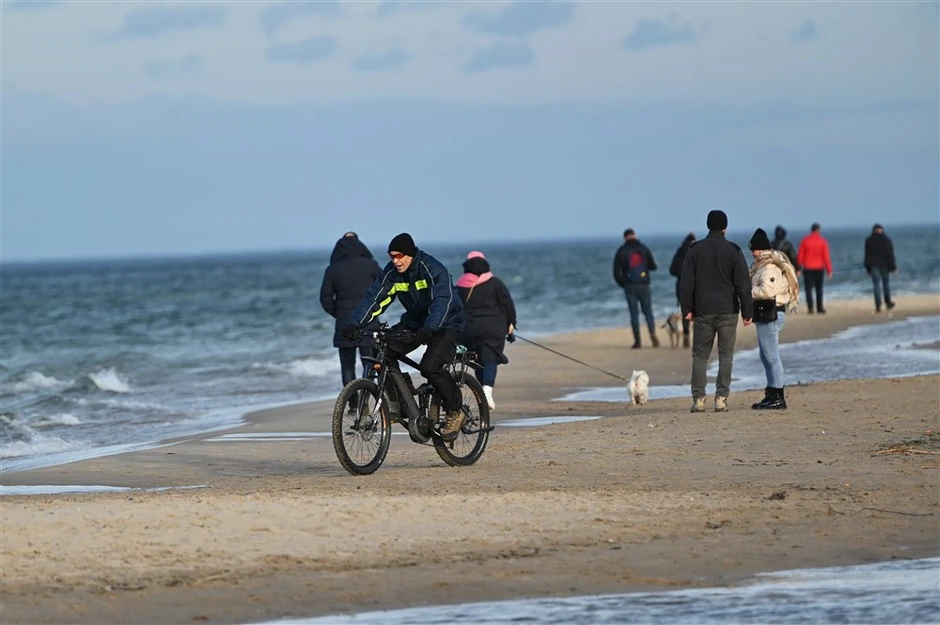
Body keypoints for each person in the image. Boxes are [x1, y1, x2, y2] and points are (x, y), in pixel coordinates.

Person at [342, 233, 467, 441]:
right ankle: (404, 403)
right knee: (383, 350)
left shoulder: (432, 268)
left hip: (446, 322)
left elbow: (442, 301)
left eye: (399, 256)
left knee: (430, 366)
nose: (395, 261)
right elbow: (375, 298)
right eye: (392, 256)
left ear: (410, 254)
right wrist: (355, 323)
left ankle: (455, 410)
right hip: (415, 321)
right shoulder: (392, 273)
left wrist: (431, 327)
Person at [679, 210, 753, 413]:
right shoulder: (734, 250)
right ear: (725, 227)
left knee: (700, 357)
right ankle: (721, 398)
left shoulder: (695, 250)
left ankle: (699, 399)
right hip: (728, 310)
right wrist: (748, 311)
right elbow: (743, 284)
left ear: (707, 225)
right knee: (726, 355)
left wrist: (687, 309)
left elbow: (686, 283)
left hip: (703, 310)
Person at [319, 232, 382, 413]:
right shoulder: (371, 265)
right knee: (368, 364)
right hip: (368, 322)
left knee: (347, 367)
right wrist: (374, 310)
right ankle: (365, 403)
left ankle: (353, 404)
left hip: (344, 325)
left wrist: (339, 314)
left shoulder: (333, 269)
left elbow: (325, 298)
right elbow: (384, 288)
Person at [455, 251, 518, 411]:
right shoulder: (495, 283)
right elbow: (508, 304)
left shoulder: (460, 286)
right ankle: (487, 391)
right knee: (490, 358)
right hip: (493, 327)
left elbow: (454, 309)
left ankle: (482, 394)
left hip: (469, 329)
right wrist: (511, 324)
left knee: (478, 361)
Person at [748, 228, 800, 411]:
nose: (751, 252)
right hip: (767, 313)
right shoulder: (763, 264)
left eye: (753, 249)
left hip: (771, 312)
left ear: (760, 249)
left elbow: (768, 290)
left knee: (771, 356)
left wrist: (748, 292)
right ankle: (771, 393)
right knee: (766, 355)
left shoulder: (769, 267)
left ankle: (778, 395)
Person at [613, 228, 660, 349]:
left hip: (629, 286)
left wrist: (623, 284)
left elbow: (616, 272)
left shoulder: (621, 251)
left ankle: (638, 341)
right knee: (648, 311)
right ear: (635, 235)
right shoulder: (644, 248)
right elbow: (653, 266)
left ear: (624, 237)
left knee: (634, 314)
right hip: (644, 284)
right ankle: (652, 333)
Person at [797, 223, 833, 314]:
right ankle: (819, 307)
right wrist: (829, 270)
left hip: (808, 268)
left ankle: (810, 308)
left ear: (811, 230)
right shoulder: (823, 241)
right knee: (819, 288)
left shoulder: (805, 241)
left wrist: (798, 268)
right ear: (818, 230)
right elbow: (826, 257)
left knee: (808, 289)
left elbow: (800, 256)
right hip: (819, 268)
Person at [668, 232, 696, 348]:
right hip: (695, 284)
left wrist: (681, 274)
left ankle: (686, 334)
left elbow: (672, 270)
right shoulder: (696, 251)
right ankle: (698, 336)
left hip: (681, 284)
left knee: (685, 310)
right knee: (697, 310)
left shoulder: (679, 253)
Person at [864, 224, 897, 313]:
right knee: (885, 284)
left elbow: (867, 256)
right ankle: (888, 302)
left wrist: (867, 268)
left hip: (874, 265)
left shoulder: (869, 240)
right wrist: (893, 267)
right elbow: (890, 254)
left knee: (876, 286)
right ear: (881, 230)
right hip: (884, 265)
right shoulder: (886, 240)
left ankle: (878, 306)